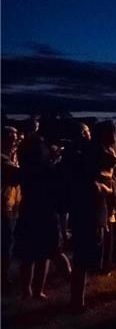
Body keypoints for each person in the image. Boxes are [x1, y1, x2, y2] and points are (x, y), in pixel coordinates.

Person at [14, 127, 71, 298]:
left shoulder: (25, 169)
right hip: (45, 213)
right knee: (43, 254)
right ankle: (37, 291)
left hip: (30, 212)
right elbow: (57, 190)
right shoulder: (47, 170)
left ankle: (28, 291)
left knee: (30, 255)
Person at [69, 121, 116, 310]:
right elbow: (89, 182)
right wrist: (106, 189)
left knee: (86, 253)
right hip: (89, 207)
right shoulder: (94, 153)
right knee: (83, 255)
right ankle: (77, 301)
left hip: (94, 207)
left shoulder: (95, 151)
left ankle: (79, 298)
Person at [2, 127, 20, 290]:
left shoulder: (11, 157)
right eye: (11, 137)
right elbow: (17, 177)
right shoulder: (3, 160)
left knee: (8, 244)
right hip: (3, 208)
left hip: (11, 206)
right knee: (5, 244)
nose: (15, 140)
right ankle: (3, 278)